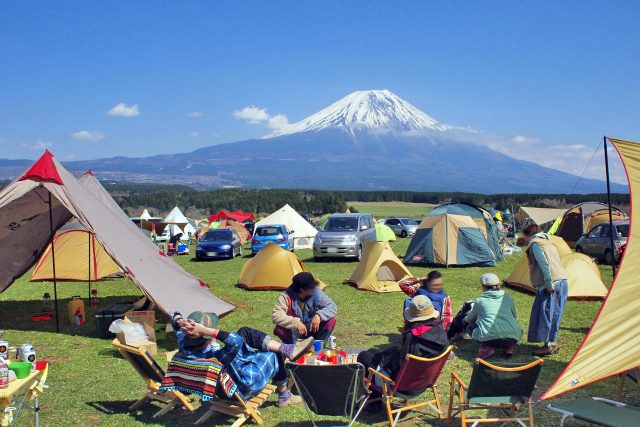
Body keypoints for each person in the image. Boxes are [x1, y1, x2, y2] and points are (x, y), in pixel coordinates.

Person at [170, 311, 313, 407]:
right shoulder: (215, 356)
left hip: (221, 388)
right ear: (203, 334)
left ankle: (286, 349)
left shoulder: (184, 343)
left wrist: (179, 320)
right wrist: (206, 330)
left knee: (244, 331)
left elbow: (173, 315)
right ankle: (284, 396)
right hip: (241, 388)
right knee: (273, 352)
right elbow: (236, 341)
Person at [358, 295, 450, 409]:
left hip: (404, 386)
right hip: (424, 382)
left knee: (363, 356)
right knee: (373, 352)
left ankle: (374, 402)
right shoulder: (440, 331)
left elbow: (400, 366)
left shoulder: (413, 336)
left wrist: (386, 361)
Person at [522, 223, 569, 356]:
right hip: (562, 281)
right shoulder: (549, 242)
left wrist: (548, 283)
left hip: (552, 284)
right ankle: (552, 343)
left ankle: (548, 346)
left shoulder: (536, 244)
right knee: (555, 314)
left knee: (546, 314)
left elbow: (544, 264)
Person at [464, 273, 523, 359]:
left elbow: (469, 319)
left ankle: (487, 348)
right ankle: (509, 348)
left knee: (470, 328)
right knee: (510, 330)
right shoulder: (508, 298)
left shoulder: (480, 301)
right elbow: (514, 316)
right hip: (513, 337)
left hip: (491, 339)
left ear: (483, 287)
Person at [272, 272, 337, 344]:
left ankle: (318, 346)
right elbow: (276, 316)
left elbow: (332, 306)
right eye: (311, 287)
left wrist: (319, 315)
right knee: (280, 328)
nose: (314, 288)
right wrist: (295, 323)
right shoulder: (286, 297)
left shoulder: (316, 293)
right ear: (301, 290)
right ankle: (293, 349)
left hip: (311, 328)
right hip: (294, 331)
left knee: (331, 320)